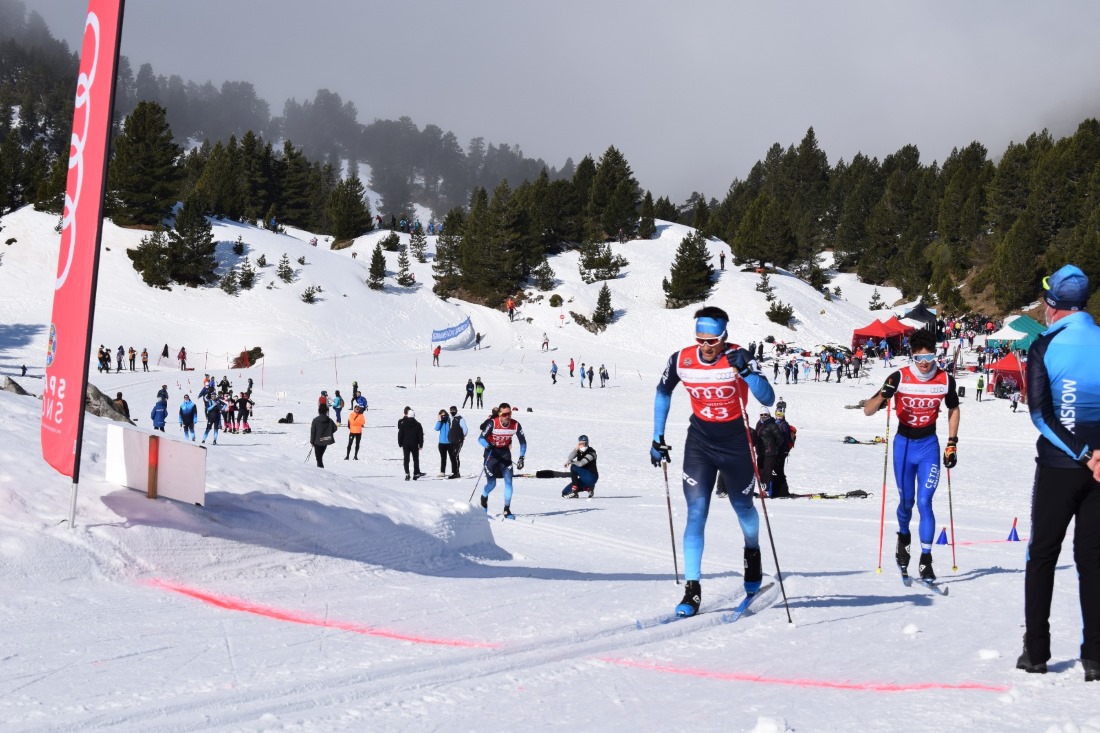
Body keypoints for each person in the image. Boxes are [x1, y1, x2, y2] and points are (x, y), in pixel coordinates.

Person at [650, 306, 775, 617]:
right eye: (700, 339)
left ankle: (752, 551)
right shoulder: (681, 359)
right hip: (700, 443)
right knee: (696, 512)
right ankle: (692, 589)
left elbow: (767, 398)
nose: (706, 346)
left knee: (743, 507)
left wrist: (746, 371)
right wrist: (657, 437)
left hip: (736, 442)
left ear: (724, 336)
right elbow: (662, 392)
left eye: (713, 340)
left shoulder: (740, 356)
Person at [1016, 265, 1100, 681]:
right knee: (1094, 561)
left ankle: (1036, 652)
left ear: (1052, 305)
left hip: (1060, 465)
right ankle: (1096, 656)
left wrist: (1084, 453)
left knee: (1042, 556)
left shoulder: (1044, 345)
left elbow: (1041, 415)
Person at [863, 328, 960, 584]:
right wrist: (884, 394)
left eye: (930, 357)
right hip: (903, 445)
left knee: (925, 502)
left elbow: (953, 409)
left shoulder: (945, 380)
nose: (925, 363)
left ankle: (926, 559)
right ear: (912, 357)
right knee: (907, 502)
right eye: (919, 359)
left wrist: (952, 443)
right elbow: (868, 410)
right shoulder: (899, 377)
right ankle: (903, 537)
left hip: (929, 445)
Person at [478, 402, 527, 518]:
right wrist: (488, 446)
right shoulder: (492, 423)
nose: (507, 416)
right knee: (492, 484)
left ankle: (507, 510)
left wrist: (521, 457)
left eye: (509, 413)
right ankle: (484, 498)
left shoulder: (515, 425)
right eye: (505, 414)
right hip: (491, 455)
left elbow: (523, 442)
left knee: (509, 482)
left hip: (505, 455)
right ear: (499, 415)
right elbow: (480, 439)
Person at [752, 408, 784, 497]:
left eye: (765, 414)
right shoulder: (759, 424)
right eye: (761, 415)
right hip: (760, 452)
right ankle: (763, 489)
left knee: (767, 471)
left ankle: (767, 491)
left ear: (768, 415)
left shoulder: (773, 425)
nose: (763, 416)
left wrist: (773, 446)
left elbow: (780, 439)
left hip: (770, 453)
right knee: (760, 471)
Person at [397, 407, 425, 480]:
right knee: (415, 459)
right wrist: (421, 444)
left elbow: (400, 434)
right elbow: (420, 435)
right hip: (414, 444)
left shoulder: (403, 424)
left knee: (406, 459)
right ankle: (415, 473)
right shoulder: (418, 424)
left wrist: (400, 443)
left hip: (405, 444)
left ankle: (407, 473)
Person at [309, 403, 338, 468]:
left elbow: (313, 432)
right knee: (320, 457)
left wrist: (312, 441)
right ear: (326, 411)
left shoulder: (315, 420)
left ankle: (321, 474)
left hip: (317, 442)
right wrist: (329, 433)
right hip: (325, 440)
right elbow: (335, 428)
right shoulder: (329, 420)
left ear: (319, 411)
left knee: (319, 459)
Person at [434, 408, 456, 476]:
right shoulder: (441, 422)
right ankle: (442, 472)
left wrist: (447, 419)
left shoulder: (449, 420)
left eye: (444, 415)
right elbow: (436, 428)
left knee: (452, 457)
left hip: (449, 442)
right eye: (442, 415)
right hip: (441, 443)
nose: (444, 417)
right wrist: (439, 420)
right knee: (443, 458)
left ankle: (454, 472)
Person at [447, 406, 468, 478]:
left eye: (454, 410)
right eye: (451, 410)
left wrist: (462, 436)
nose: (452, 411)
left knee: (454, 455)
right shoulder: (451, 419)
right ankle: (455, 472)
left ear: (456, 410)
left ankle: (456, 472)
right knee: (453, 456)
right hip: (451, 440)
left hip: (458, 440)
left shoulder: (460, 418)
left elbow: (465, 428)